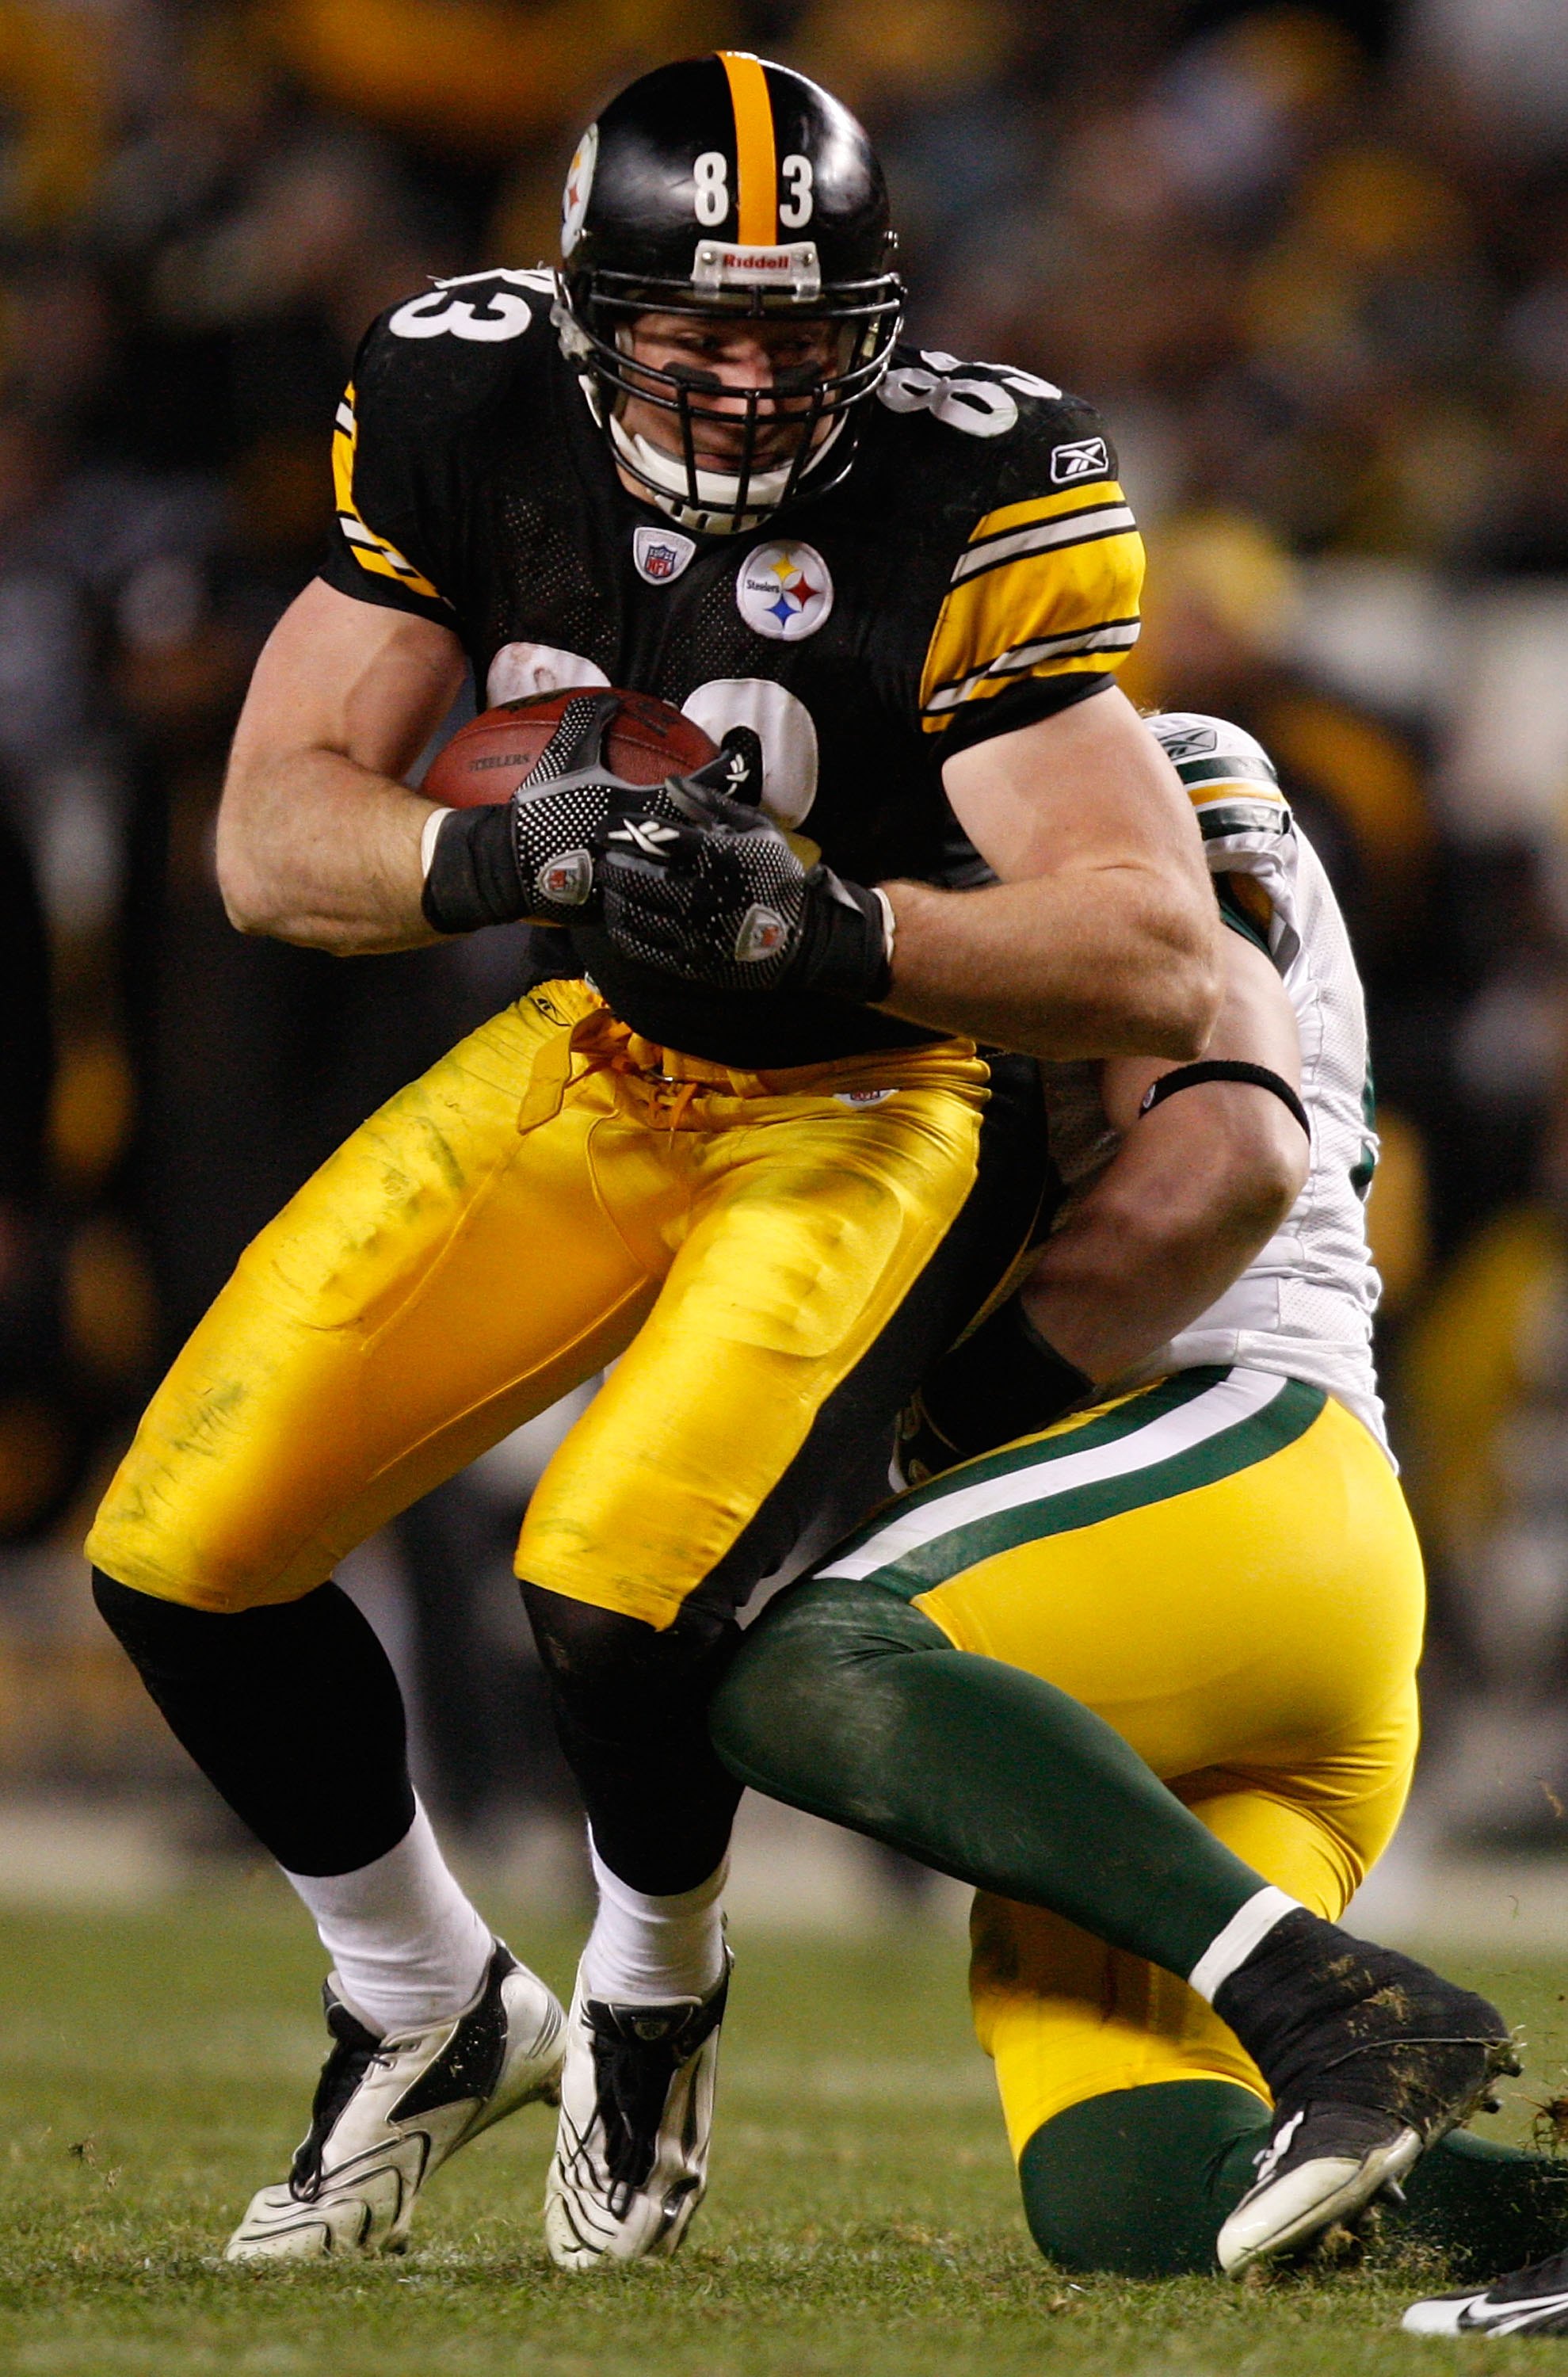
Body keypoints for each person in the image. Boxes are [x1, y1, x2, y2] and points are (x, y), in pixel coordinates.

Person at [84, 53, 1223, 2268]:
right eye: (697, 332)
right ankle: (422, 1997)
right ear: (588, 309)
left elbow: (1152, 954)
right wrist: (506, 849)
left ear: (877, 328)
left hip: (880, 1087)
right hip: (600, 1050)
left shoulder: (973, 488)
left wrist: (838, 924)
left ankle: (651, 1982)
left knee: (611, 1584)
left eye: (798, 338)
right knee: (180, 1550)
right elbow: (270, 836)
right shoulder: (462, 401)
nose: (746, 385)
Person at [709, 712, 1532, 2279]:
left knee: (808, 1669)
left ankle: (1344, 2005)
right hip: (1175, 1594)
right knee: (1139, 2199)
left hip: (1240, 1458)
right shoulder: (916, 814)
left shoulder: (1149, 776)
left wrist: (947, 1409)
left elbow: (1218, 1149)